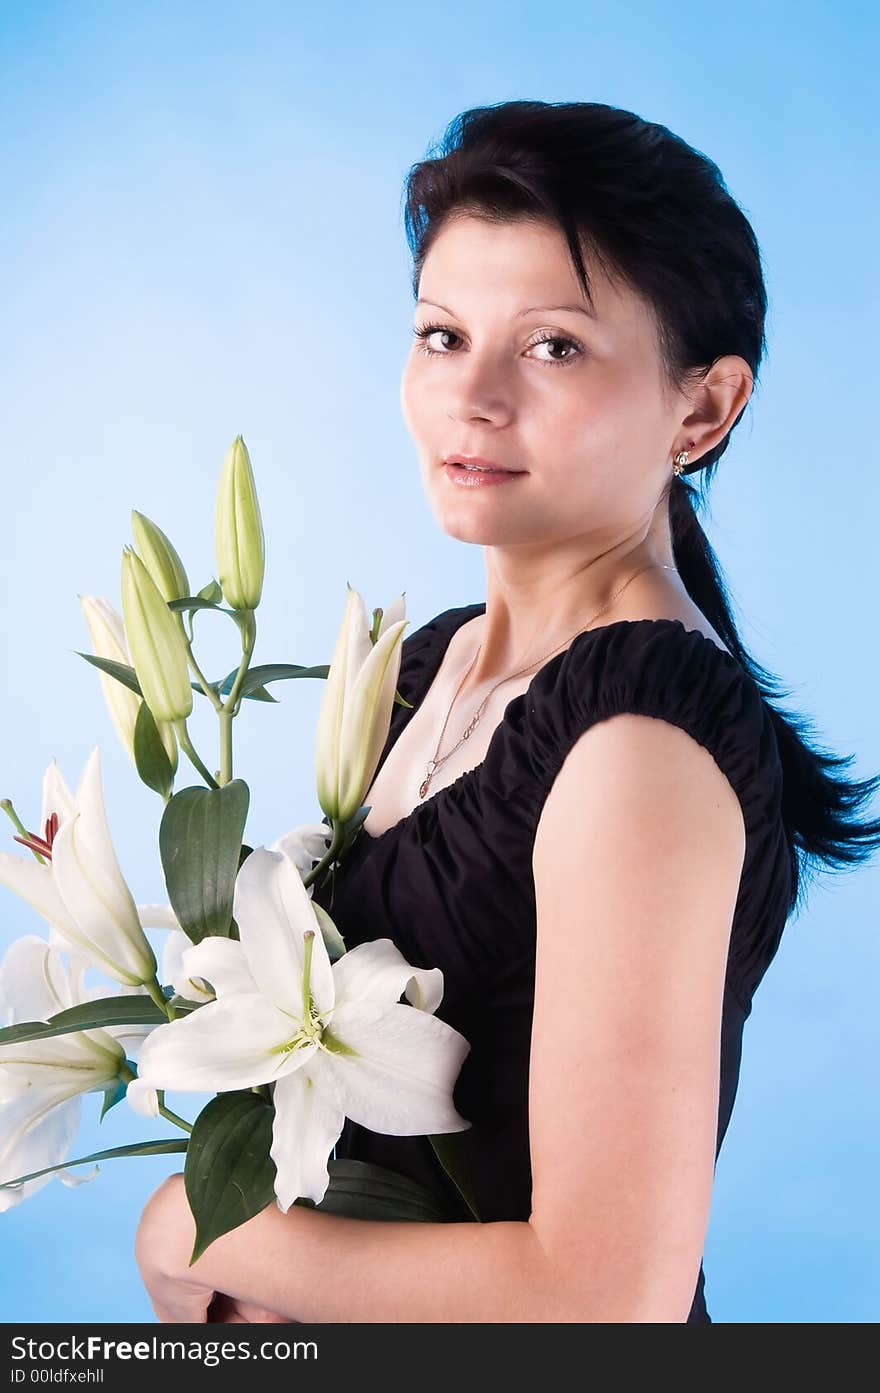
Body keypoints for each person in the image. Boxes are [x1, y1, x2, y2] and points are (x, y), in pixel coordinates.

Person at [134, 100, 880, 1324]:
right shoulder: (432, 663)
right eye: (440, 334)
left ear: (703, 410)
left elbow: (603, 1299)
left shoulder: (637, 743)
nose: (471, 396)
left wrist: (200, 1230)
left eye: (552, 348)